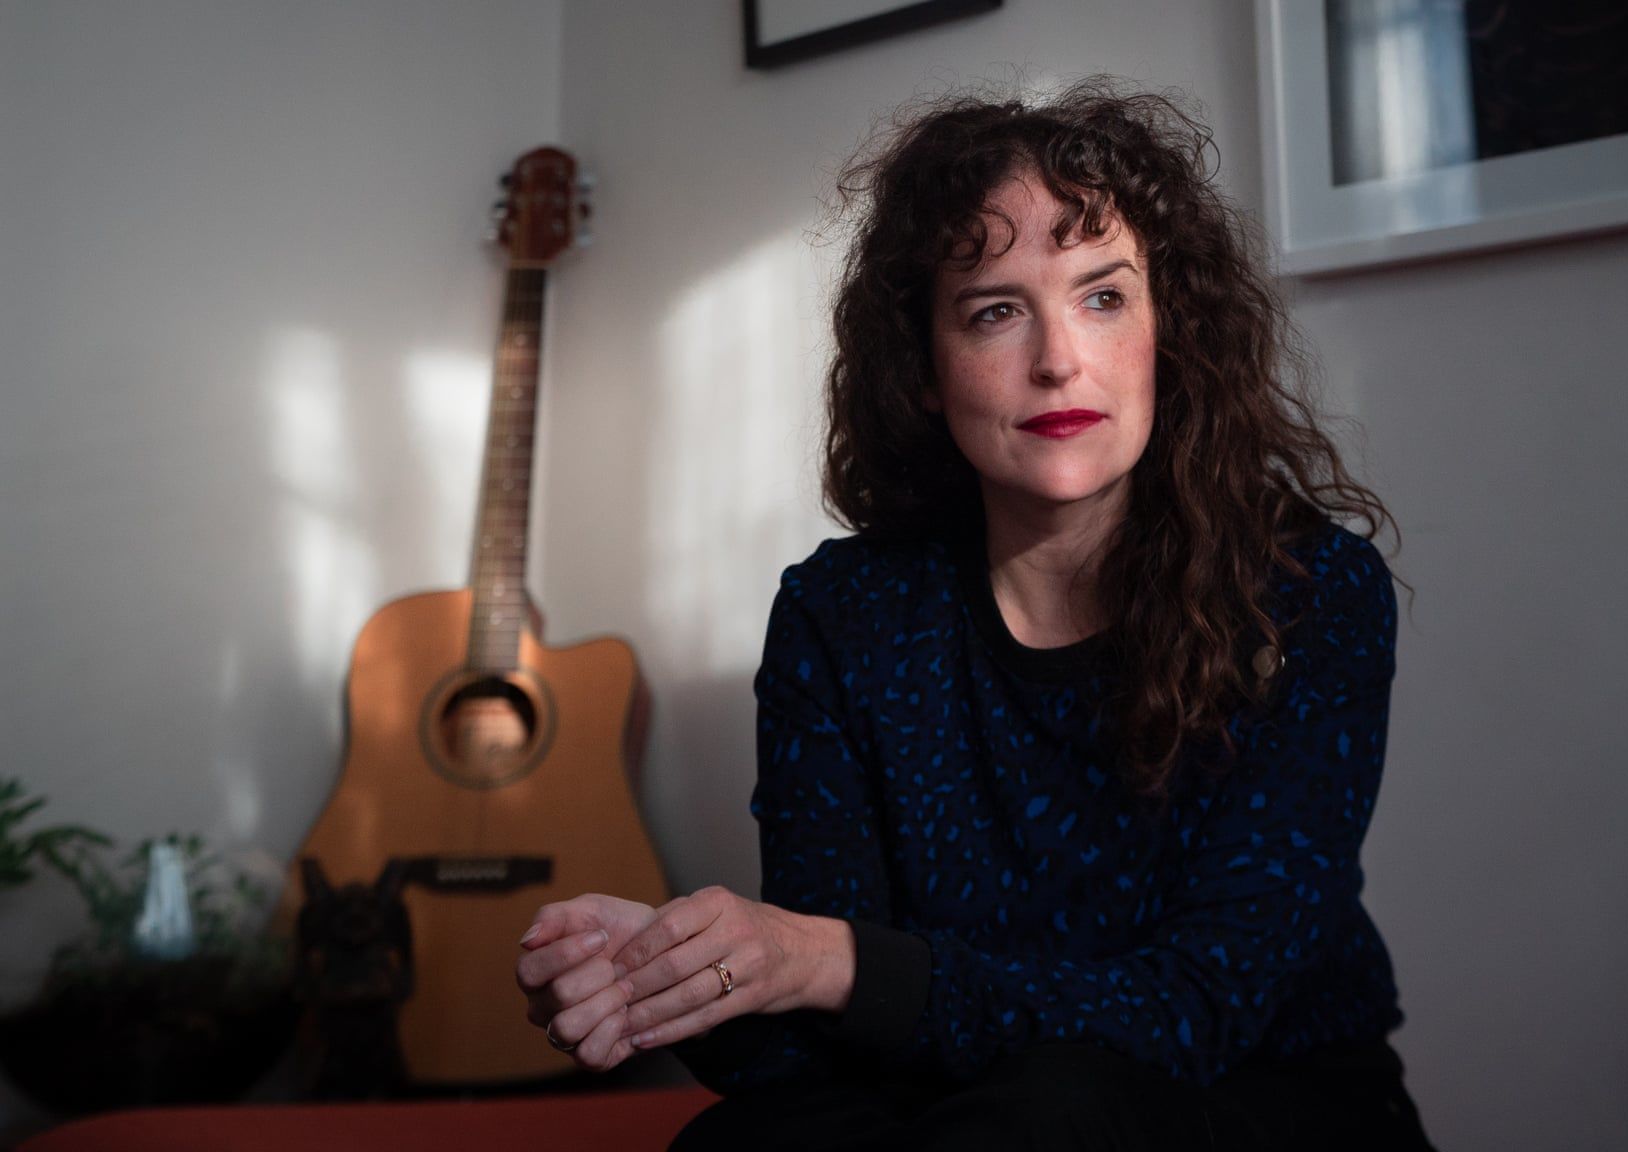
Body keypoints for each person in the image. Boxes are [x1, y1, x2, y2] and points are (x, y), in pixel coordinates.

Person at [515, 76, 1438, 1151]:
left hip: (1255, 1102)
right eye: (997, 311)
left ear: (1169, 331)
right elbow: (822, 1030)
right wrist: (672, 974)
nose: (1058, 360)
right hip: (961, 1100)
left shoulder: (1308, 594)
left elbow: (1196, 1010)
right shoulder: (843, 616)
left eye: (1103, 298)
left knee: (1055, 1113)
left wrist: (827, 961)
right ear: (923, 367)